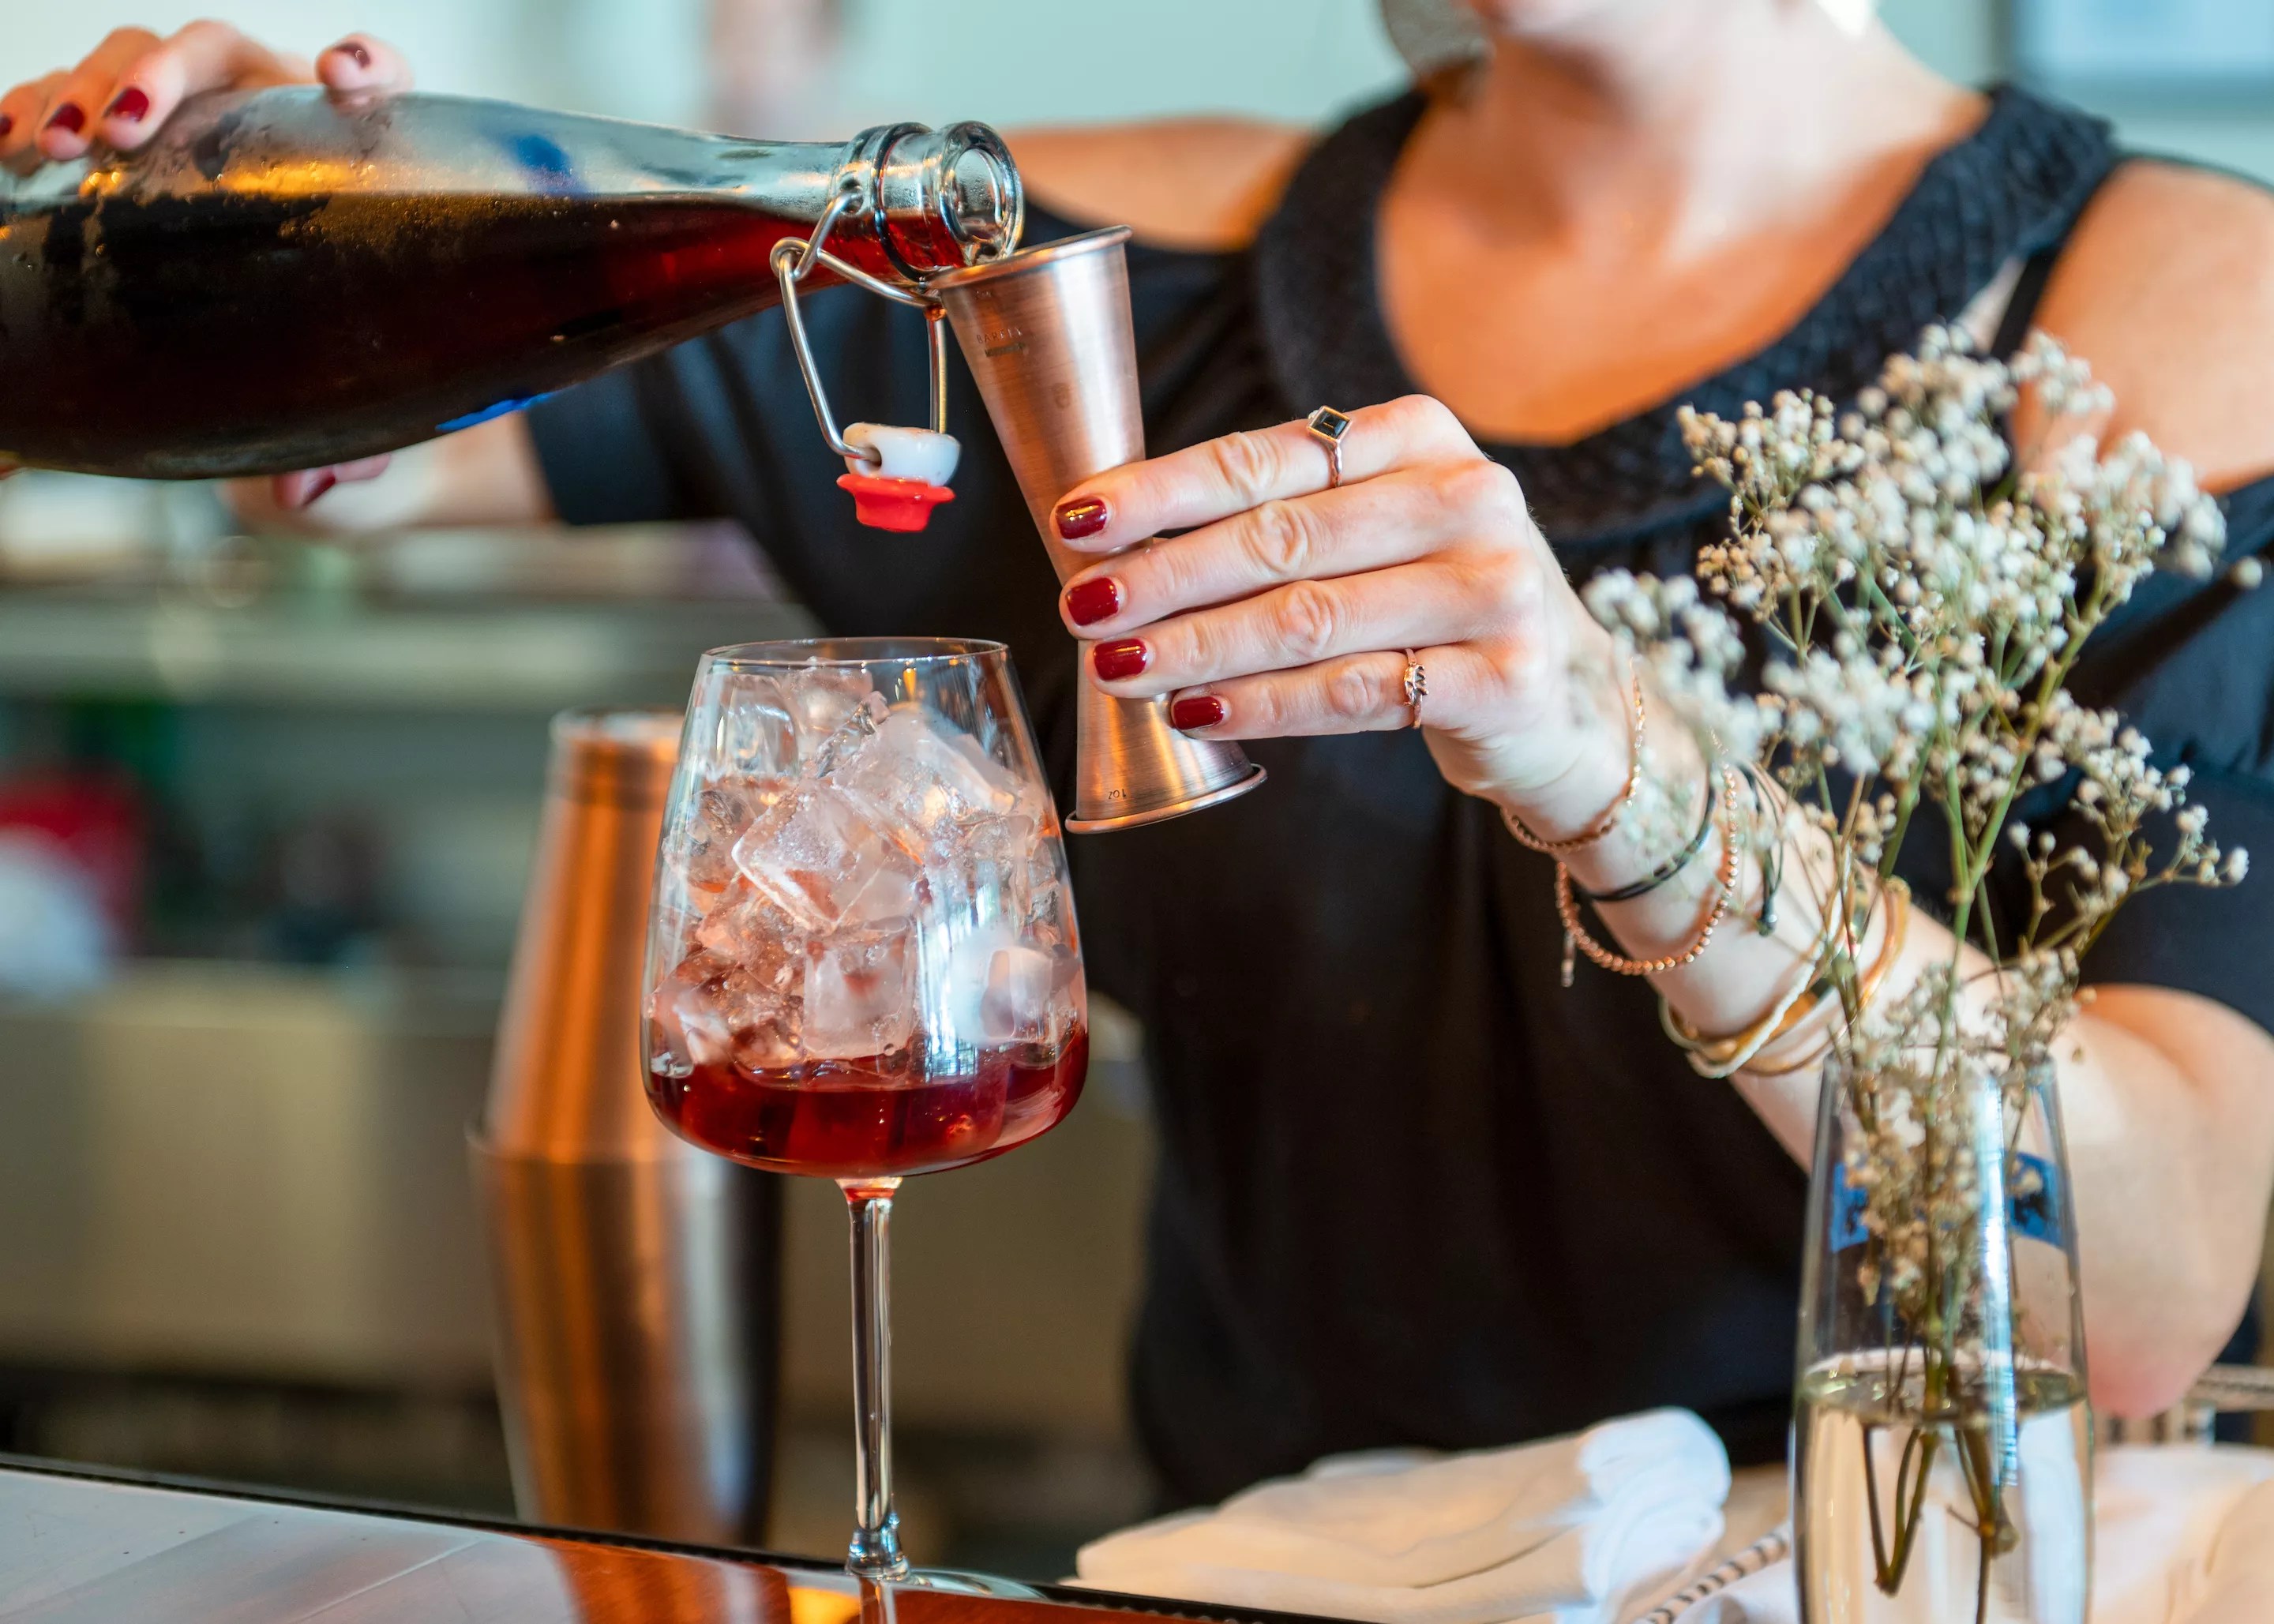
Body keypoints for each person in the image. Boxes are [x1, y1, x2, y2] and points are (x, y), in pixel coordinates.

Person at [10, 0, 2274, 1503]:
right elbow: (352, 460)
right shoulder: (1076, 257)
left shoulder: (2164, 314)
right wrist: (263, 207)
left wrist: (1622, 767)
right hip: (1244, 1570)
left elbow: (2148, 1287)